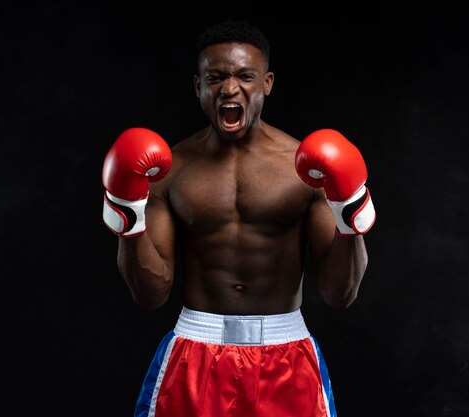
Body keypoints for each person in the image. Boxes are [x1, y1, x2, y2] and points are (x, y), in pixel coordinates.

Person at [101, 20, 376, 417]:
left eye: (245, 76)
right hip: (195, 350)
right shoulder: (170, 170)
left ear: (267, 83)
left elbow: (341, 294)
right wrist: (127, 215)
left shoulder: (304, 171)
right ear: (199, 85)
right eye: (217, 77)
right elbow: (150, 295)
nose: (230, 89)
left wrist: (351, 216)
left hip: (288, 353)